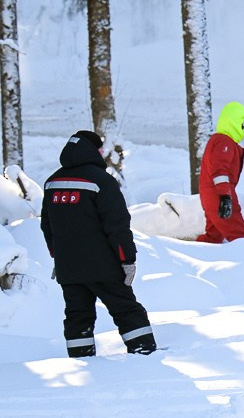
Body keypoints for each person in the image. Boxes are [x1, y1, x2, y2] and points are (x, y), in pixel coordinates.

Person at [40, 130, 157, 357]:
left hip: (69, 267)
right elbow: (117, 226)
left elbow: (47, 226)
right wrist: (127, 259)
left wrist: (58, 257)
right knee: (126, 309)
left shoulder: (52, 182)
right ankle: (145, 353)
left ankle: (81, 358)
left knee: (77, 314)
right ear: (95, 151)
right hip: (103, 265)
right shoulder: (101, 181)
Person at [198, 101, 244, 243]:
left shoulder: (219, 140)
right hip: (218, 196)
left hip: (211, 195)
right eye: (242, 122)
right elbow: (220, 171)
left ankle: (196, 255)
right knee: (241, 237)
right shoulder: (223, 142)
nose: (243, 127)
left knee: (213, 238)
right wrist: (225, 198)